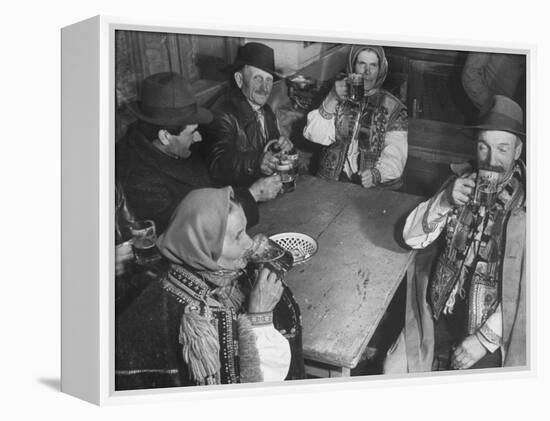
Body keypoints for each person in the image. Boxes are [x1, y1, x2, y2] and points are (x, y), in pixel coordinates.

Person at [385, 95, 526, 372]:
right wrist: (445, 200)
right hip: (440, 312)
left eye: (502, 148)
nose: (491, 160)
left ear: (518, 151)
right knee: (392, 369)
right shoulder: (461, 182)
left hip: (497, 327)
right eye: (483, 147)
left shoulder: (530, 204)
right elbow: (411, 237)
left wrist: (484, 341)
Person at [115, 187, 304, 389]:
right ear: (205, 248)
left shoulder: (215, 273)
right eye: (238, 236)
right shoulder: (197, 319)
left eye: (245, 230)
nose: (249, 242)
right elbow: (241, 397)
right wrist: (260, 316)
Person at [116, 72, 274, 234]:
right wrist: (252, 195)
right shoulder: (137, 179)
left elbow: (216, 178)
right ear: (165, 136)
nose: (198, 138)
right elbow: (192, 233)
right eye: (192, 132)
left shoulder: (171, 145)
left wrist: (257, 163)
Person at [303, 45, 408, 189]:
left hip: (372, 188)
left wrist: (376, 174)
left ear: (380, 69)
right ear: (352, 66)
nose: (367, 72)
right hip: (332, 182)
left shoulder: (393, 108)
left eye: (373, 65)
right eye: (362, 64)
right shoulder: (336, 94)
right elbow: (314, 134)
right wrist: (332, 98)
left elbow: (396, 153)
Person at [201, 42, 292, 197]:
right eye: (257, 78)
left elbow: (271, 150)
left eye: (268, 80)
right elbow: (218, 163)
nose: (265, 88)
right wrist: (256, 162)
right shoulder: (222, 113)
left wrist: (283, 147)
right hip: (237, 200)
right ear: (239, 79)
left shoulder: (266, 111)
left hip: (266, 193)